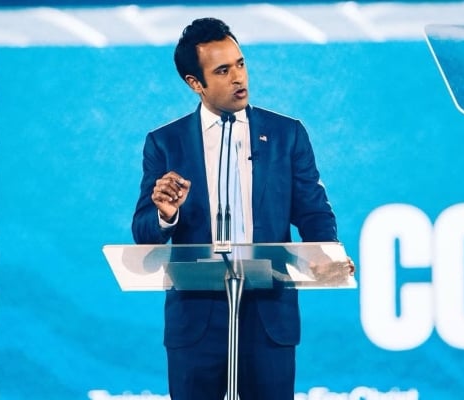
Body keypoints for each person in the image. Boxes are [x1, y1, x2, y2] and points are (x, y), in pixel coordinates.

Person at [131, 17, 353, 400]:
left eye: (240, 64)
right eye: (222, 70)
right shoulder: (165, 143)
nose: (238, 77)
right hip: (197, 321)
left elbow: (313, 211)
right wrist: (166, 213)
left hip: (268, 315)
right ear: (195, 84)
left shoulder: (287, 134)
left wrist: (326, 252)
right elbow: (144, 230)